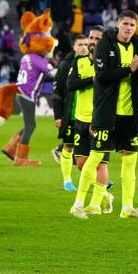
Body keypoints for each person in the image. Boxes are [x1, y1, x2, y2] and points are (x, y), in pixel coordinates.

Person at [69, 10, 138, 220]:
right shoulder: (105, 45)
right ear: (118, 24)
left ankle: (127, 208)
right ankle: (78, 204)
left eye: (132, 25)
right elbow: (103, 76)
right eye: (125, 24)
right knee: (95, 157)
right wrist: (130, 69)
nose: (128, 29)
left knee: (130, 160)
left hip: (130, 114)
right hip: (107, 113)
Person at [68, 26, 114, 216]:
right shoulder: (79, 62)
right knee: (81, 163)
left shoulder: (109, 63)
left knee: (101, 164)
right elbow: (71, 84)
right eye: (91, 38)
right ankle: (105, 196)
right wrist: (92, 79)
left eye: (97, 38)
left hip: (101, 119)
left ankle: (95, 204)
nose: (92, 42)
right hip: (81, 118)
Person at [7, 43, 56, 166]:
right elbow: (53, 73)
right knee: (30, 126)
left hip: (21, 92)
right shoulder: (38, 59)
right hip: (28, 94)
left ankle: (11, 148)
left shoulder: (27, 57)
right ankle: (20, 158)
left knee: (29, 124)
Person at [52, 34, 88, 191]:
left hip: (88, 115)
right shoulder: (65, 66)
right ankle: (67, 181)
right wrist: (58, 116)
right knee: (68, 146)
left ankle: (95, 179)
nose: (83, 47)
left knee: (92, 150)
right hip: (71, 115)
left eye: (86, 44)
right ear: (74, 46)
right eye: (80, 44)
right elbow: (57, 92)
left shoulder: (92, 63)